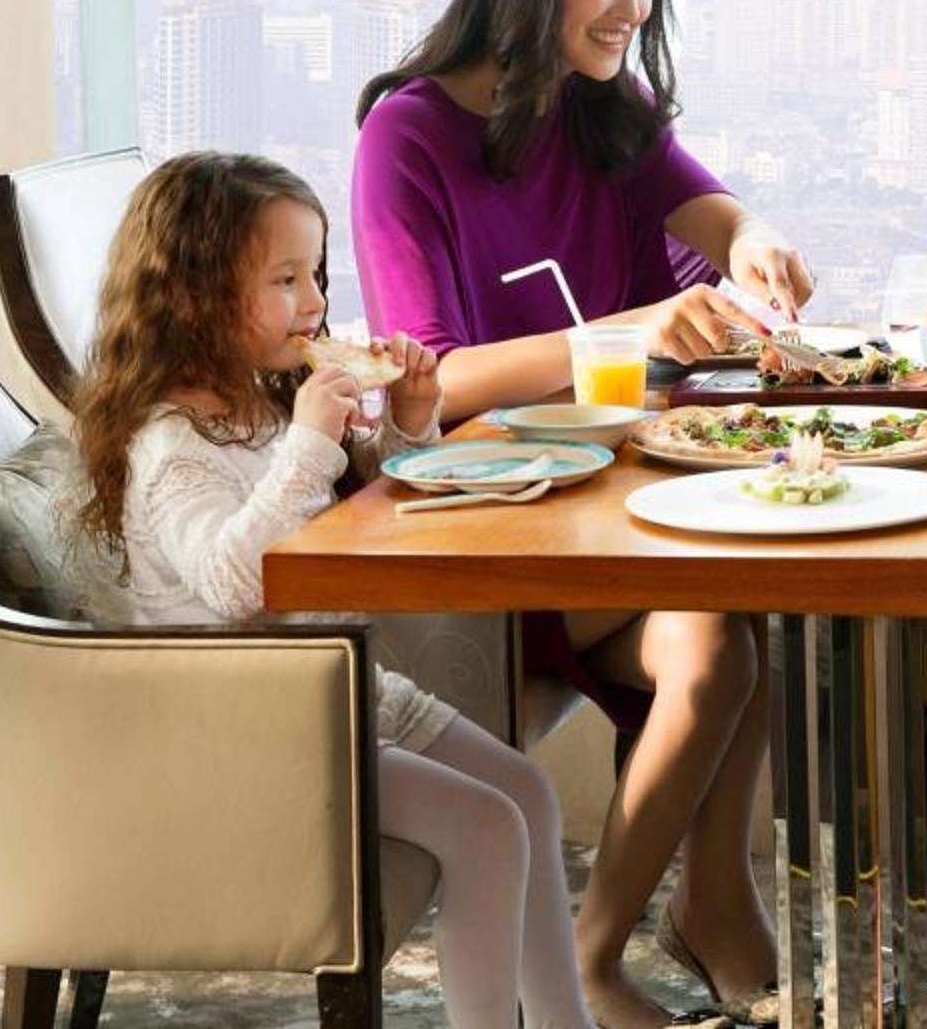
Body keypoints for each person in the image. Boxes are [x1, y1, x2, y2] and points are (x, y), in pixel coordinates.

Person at [353, 0, 802, 1029]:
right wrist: (630, 327)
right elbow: (437, 378)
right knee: (723, 631)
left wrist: (752, 240)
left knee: (729, 637)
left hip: (612, 489)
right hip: (490, 511)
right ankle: (625, 947)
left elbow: (711, 210)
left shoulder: (603, 105)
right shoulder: (407, 135)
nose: (630, 6)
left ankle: (677, 916)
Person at [69, 152, 593, 1029]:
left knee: (528, 795)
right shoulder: (171, 445)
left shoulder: (262, 404)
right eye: (285, 280)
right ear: (191, 296)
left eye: (314, 273)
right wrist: (311, 442)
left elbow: (358, 509)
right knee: (487, 827)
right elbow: (235, 583)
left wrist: (409, 421)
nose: (314, 302)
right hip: (250, 725)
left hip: (337, 692)